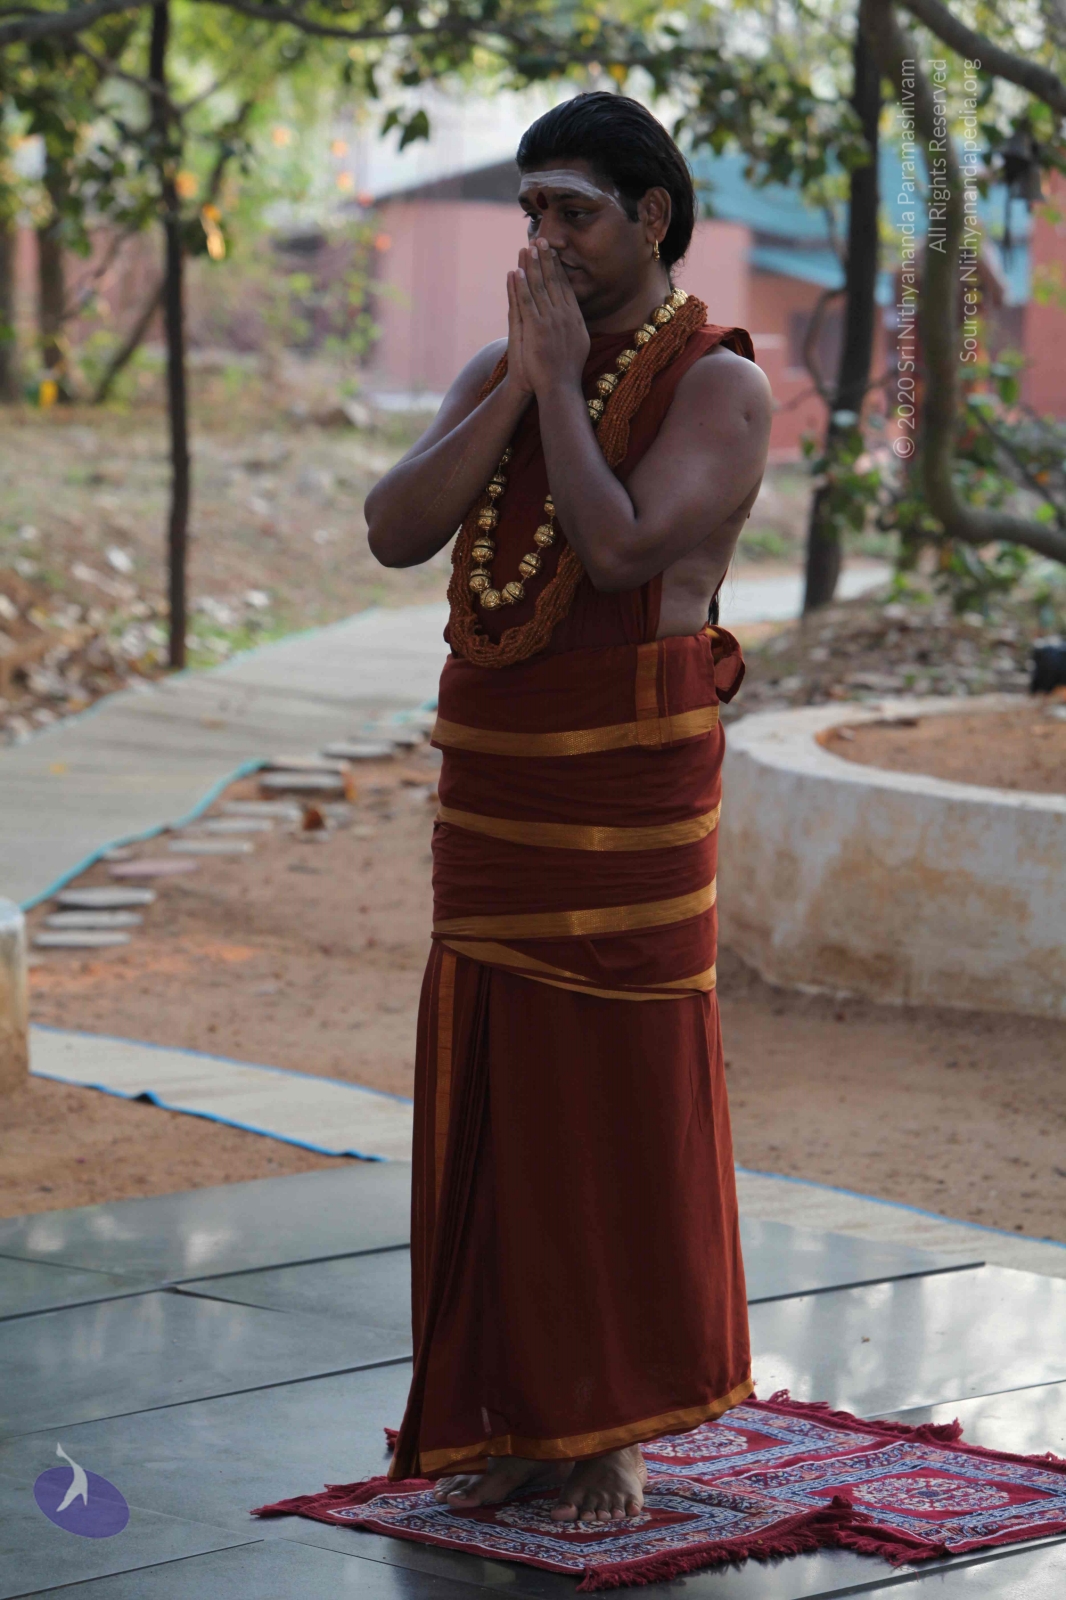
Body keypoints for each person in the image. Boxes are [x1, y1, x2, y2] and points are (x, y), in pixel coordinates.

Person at [364, 91, 773, 1527]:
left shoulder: (720, 387)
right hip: (496, 787)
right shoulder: (505, 364)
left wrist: (551, 385)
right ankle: (523, 1418)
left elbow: (616, 550)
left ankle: (618, 1428)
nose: (542, 236)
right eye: (530, 208)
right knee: (499, 1092)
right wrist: (519, 382)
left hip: (625, 798)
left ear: (651, 219)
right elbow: (394, 529)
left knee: (612, 1102)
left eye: (574, 212)